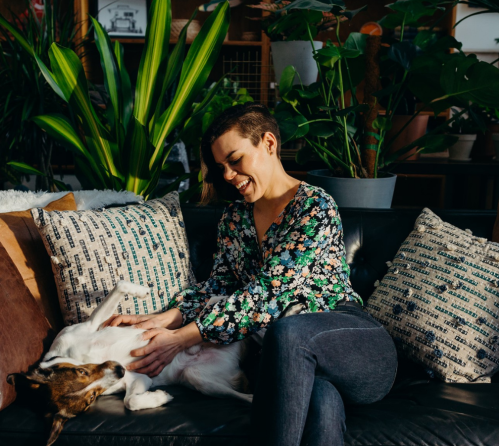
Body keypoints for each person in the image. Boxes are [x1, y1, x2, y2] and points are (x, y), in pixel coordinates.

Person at [105, 103, 398, 446]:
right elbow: (221, 284)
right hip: (286, 358)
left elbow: (271, 296)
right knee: (319, 403)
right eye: (221, 167)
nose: (228, 175)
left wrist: (182, 338)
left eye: (235, 160)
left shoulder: (314, 207)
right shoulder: (234, 218)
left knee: (288, 332)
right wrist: (165, 319)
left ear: (269, 144)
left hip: (352, 343)